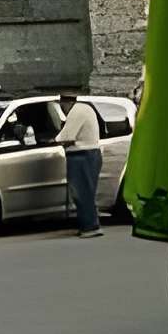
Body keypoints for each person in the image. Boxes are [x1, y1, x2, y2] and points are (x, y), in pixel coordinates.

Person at [56, 87, 106, 237]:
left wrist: (53, 139)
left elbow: (65, 137)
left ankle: (90, 227)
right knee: (87, 193)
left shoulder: (76, 112)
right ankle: (90, 224)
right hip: (89, 154)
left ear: (65, 103)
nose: (62, 110)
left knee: (82, 193)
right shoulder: (85, 108)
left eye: (61, 106)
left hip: (82, 155)